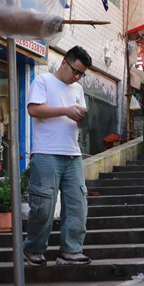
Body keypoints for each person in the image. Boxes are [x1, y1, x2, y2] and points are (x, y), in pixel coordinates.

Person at [23, 46, 92, 267]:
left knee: (77, 204)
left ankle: (71, 251)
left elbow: (77, 118)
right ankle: (33, 249)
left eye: (81, 74)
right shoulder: (43, 81)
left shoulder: (78, 89)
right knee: (43, 205)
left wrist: (80, 116)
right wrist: (65, 110)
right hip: (46, 152)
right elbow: (34, 110)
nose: (77, 76)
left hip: (73, 153)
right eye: (75, 71)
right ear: (64, 63)